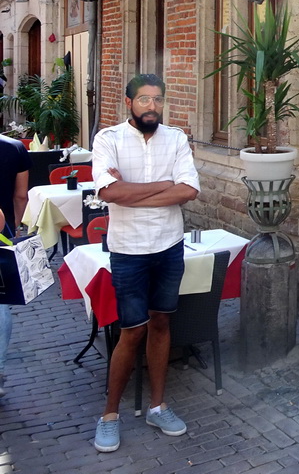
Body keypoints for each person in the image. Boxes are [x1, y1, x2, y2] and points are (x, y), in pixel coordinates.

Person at [90, 74, 201, 452]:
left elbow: (188, 190)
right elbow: (108, 192)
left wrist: (129, 192)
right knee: (131, 331)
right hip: (128, 250)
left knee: (162, 322)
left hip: (169, 246)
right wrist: (162, 186)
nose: (151, 106)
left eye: (157, 100)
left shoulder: (177, 138)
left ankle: (157, 405)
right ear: (128, 102)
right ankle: (109, 416)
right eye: (143, 100)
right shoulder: (108, 139)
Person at [0, 135, 30, 398]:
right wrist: (15, 226)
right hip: (2, 233)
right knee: (0, 304)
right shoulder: (15, 148)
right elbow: (21, 195)